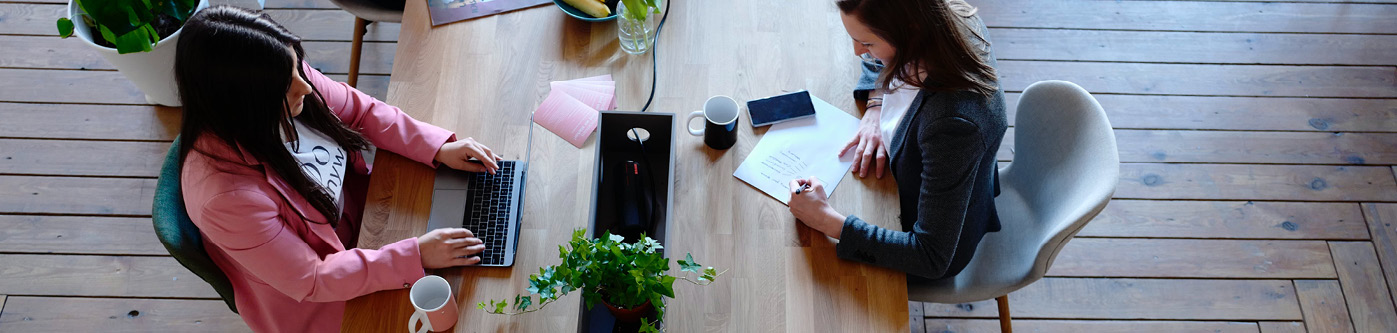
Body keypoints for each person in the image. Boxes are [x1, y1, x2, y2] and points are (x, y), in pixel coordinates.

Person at [175, 6, 498, 332]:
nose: (307, 87)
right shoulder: (225, 199)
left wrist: (438, 147)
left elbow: (362, 112)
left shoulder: (282, 79)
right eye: (290, 85)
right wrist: (415, 255)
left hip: (370, 221)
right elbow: (313, 278)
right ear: (245, 104)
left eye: (298, 68)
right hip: (325, 298)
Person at [787, 0, 1007, 281]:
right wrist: (877, 103)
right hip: (917, 182)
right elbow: (880, 61)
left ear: (910, 31)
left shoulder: (953, 125)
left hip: (927, 241)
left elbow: (931, 256)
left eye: (867, 44)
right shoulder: (942, 19)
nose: (858, 52)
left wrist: (828, 222)